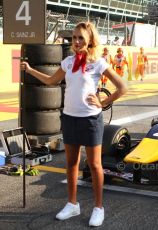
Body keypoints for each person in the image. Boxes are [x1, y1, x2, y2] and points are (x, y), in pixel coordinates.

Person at [21, 22, 127, 226]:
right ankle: (72, 204)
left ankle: (98, 208)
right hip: (69, 118)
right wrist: (31, 70)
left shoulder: (98, 63)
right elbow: (52, 81)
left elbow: (123, 86)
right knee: (71, 164)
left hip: (90, 120)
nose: (76, 41)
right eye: (74, 37)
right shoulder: (68, 62)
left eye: (81, 38)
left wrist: (103, 102)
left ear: (90, 41)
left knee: (95, 165)